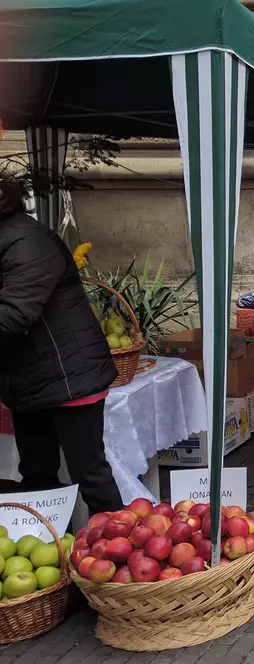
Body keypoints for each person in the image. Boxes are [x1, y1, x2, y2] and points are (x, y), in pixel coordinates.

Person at [0, 180, 124, 514]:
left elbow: (13, 314)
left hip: (69, 375)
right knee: (37, 477)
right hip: (28, 379)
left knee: (91, 476)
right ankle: (55, 552)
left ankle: (119, 553)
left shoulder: (27, 241)